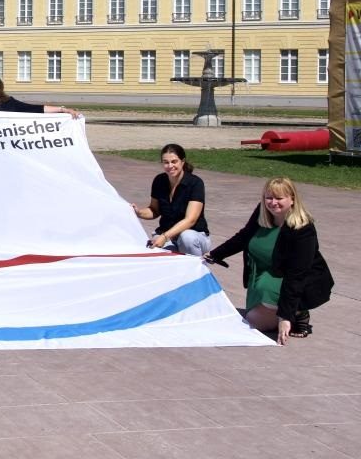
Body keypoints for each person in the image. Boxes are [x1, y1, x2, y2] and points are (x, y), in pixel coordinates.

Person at [205, 177, 333, 344]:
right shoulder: (263, 212)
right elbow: (244, 236)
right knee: (253, 319)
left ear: (292, 199)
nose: (273, 203)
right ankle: (280, 309)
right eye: (269, 197)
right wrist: (215, 254)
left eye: (279, 198)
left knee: (257, 321)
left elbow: (297, 276)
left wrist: (285, 317)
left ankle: (298, 313)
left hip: (299, 281)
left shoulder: (303, 229)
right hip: (264, 275)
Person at [133, 143, 211, 256]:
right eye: (166, 162)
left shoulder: (195, 183)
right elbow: (154, 210)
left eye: (174, 161)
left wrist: (165, 236)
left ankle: (199, 270)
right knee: (154, 250)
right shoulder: (159, 180)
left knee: (187, 238)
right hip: (167, 235)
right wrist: (138, 212)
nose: (170, 166)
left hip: (195, 235)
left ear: (182, 161)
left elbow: (191, 220)